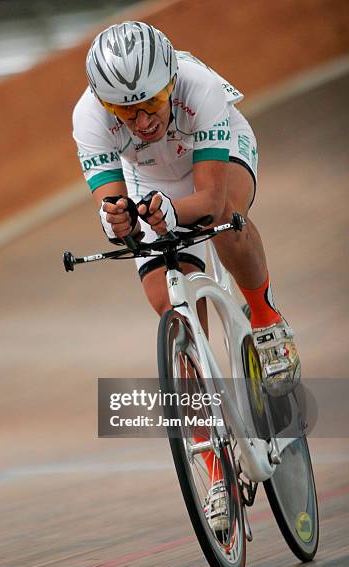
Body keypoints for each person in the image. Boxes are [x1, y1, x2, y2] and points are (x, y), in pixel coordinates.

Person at [72, 21, 301, 529]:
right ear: (104, 103)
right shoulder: (88, 117)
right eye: (125, 110)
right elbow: (110, 203)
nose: (142, 118)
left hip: (214, 160)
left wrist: (173, 213)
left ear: (171, 81)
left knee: (223, 223)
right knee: (166, 303)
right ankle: (215, 467)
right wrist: (117, 219)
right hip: (149, 177)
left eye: (151, 101)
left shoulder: (201, 88)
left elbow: (211, 199)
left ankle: (264, 319)